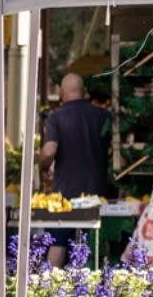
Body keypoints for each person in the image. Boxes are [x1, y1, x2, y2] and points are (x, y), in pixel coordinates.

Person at [39, 73, 112, 201]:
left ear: (61, 93)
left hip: (66, 193)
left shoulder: (56, 118)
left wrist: (43, 167)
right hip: (98, 192)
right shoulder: (103, 115)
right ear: (84, 92)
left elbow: (49, 151)